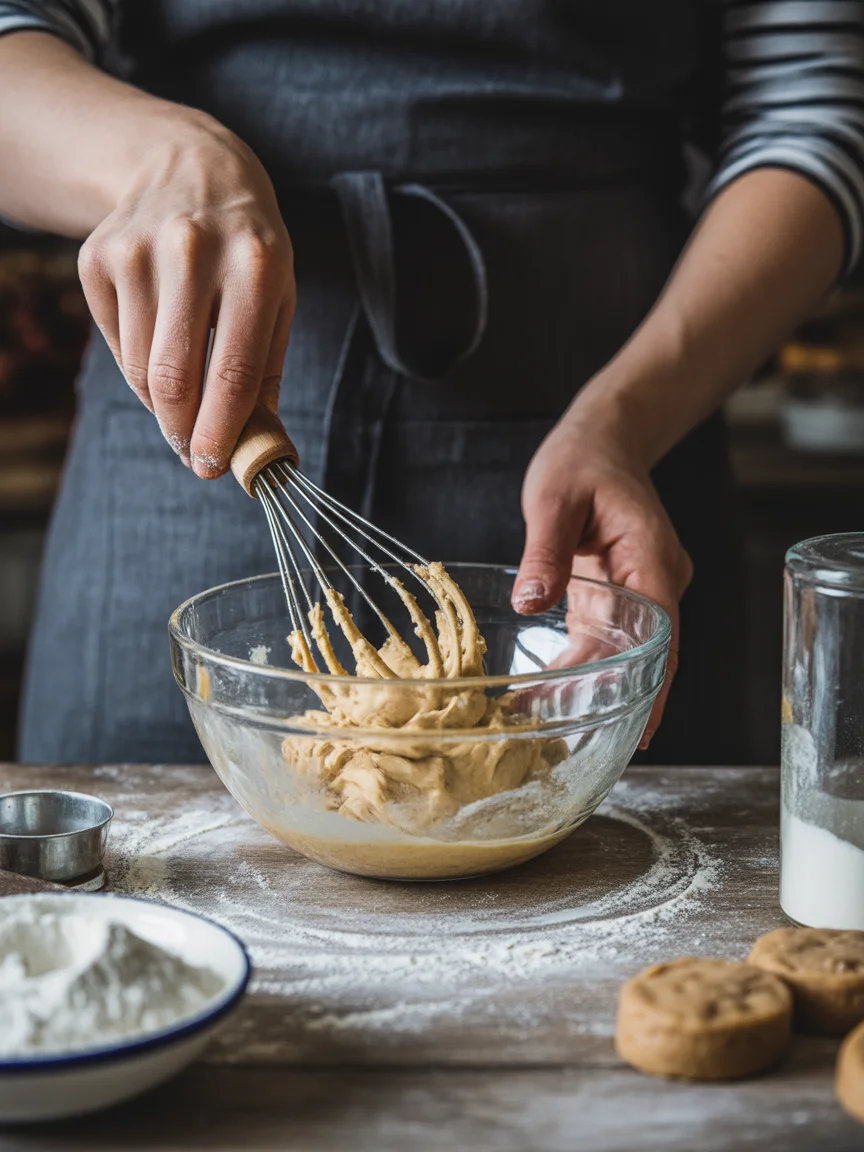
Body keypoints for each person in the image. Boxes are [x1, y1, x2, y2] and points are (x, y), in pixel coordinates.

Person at [0, 2, 860, 766]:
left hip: (616, 435)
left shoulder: (623, 432)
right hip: (189, 419)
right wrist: (162, 160)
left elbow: (811, 118)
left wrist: (625, 422)